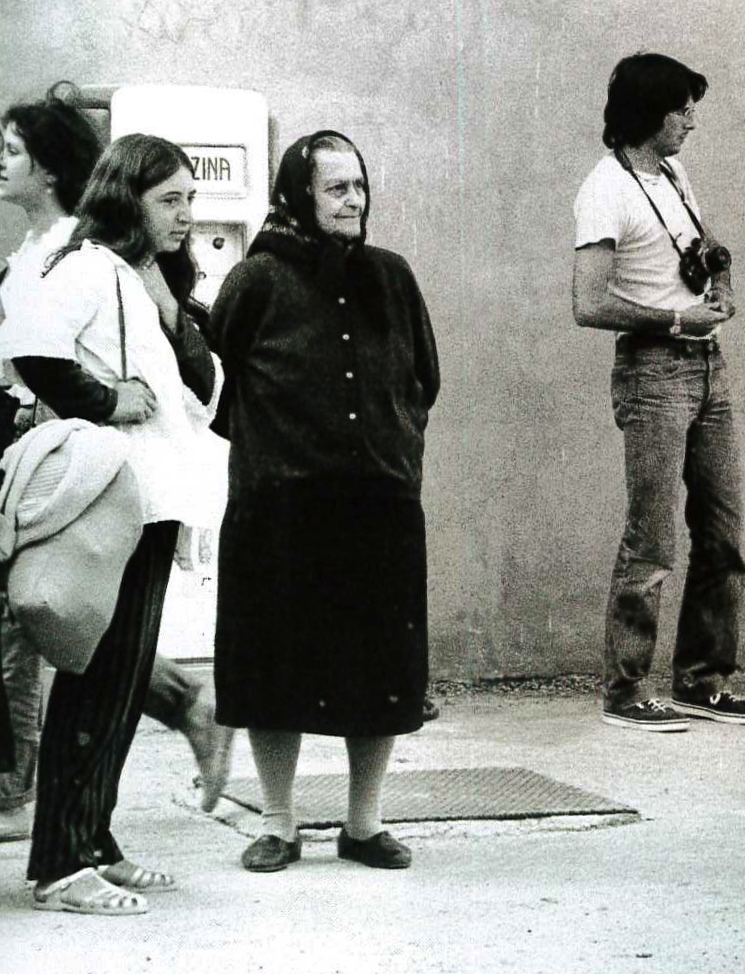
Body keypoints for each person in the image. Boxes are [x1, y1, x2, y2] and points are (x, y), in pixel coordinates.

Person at [0, 85, 233, 847]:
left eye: (191, 199)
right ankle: (65, 857)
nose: (187, 215)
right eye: (171, 200)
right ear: (128, 199)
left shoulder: (144, 280)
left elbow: (206, 391)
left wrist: (168, 307)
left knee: (124, 679)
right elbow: (33, 350)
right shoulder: (85, 265)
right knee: (98, 682)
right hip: (112, 499)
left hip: (156, 499)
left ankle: (93, 841)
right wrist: (104, 401)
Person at [209, 131, 438, 873]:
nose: (353, 201)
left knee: (381, 666)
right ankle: (278, 822)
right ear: (299, 194)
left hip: (379, 502)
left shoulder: (392, 277)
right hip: (281, 506)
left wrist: (393, 444)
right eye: (337, 187)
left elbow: (423, 380)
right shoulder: (257, 281)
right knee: (275, 665)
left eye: (360, 187)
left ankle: (363, 824)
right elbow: (218, 389)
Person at [573, 53, 745, 732]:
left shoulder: (674, 174)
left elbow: (704, 244)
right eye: (681, 106)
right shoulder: (605, 190)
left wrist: (722, 274)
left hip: (707, 364)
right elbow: (588, 302)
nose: (690, 119)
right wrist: (677, 317)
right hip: (654, 369)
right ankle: (625, 691)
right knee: (651, 540)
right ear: (647, 112)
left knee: (722, 531)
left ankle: (701, 682)